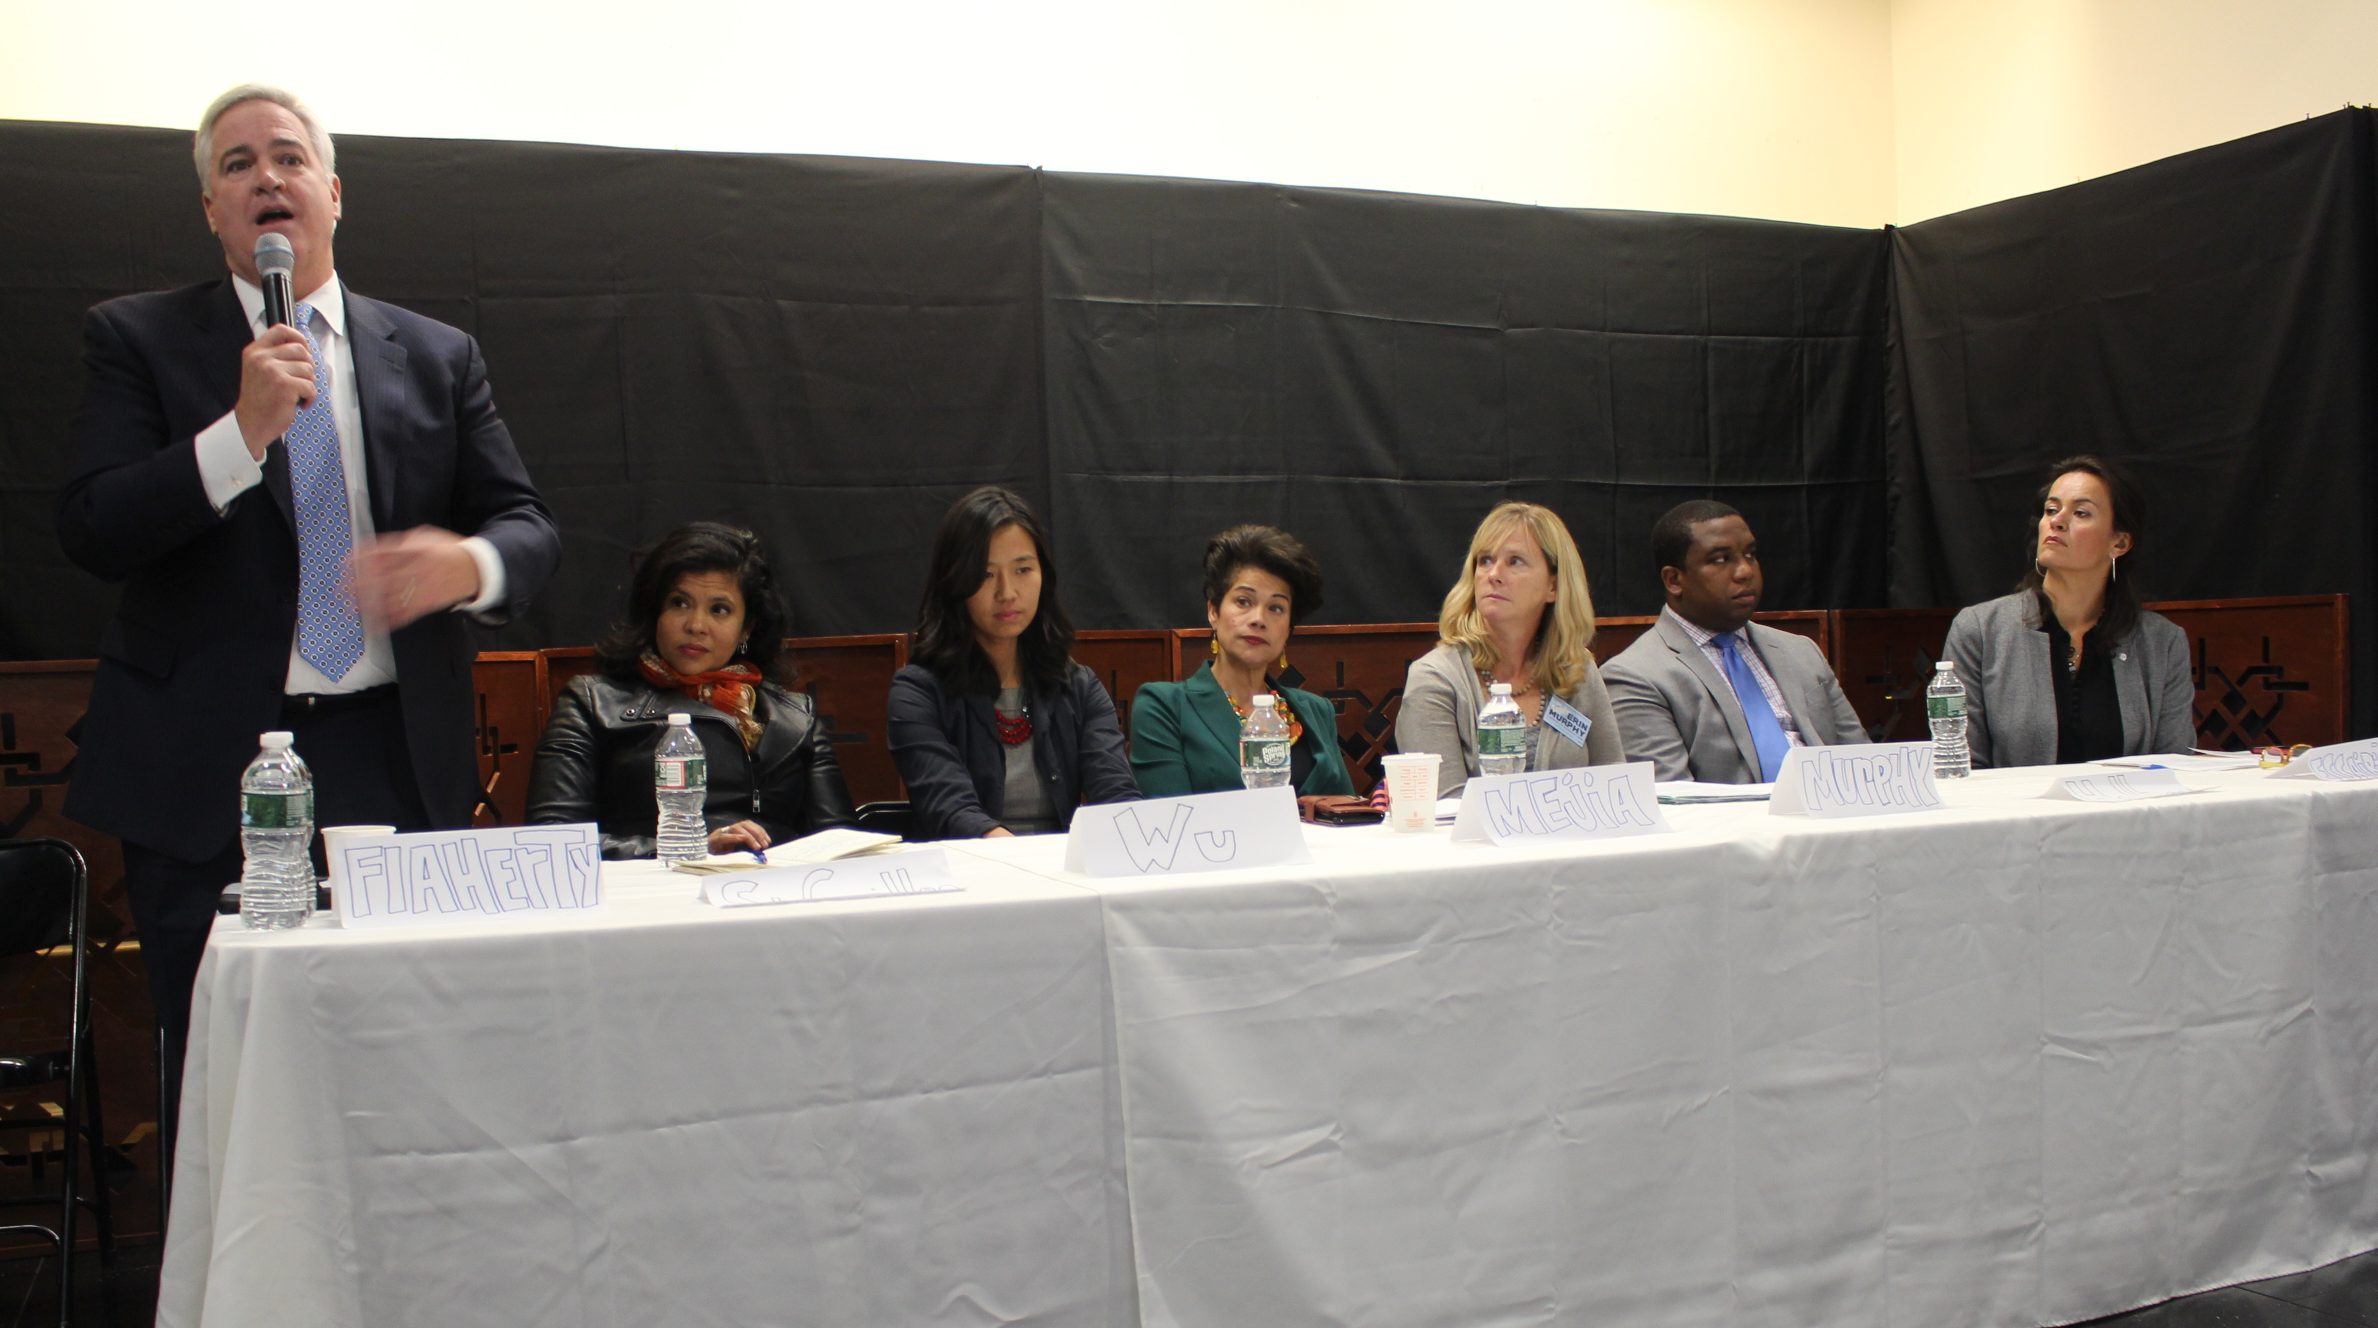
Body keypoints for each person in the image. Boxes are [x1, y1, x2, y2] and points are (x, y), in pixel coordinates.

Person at [55, 86, 560, 1091]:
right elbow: (94, 526)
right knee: (225, 1072)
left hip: (389, 757)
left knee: (403, 1061)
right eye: (235, 165)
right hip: (210, 771)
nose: (265, 178)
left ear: (331, 192)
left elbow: (529, 528)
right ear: (211, 210)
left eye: (286, 157)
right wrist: (236, 436)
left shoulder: (434, 354)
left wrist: (469, 564)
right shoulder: (139, 339)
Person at [526, 524, 855, 858]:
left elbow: (842, 845)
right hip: (649, 897)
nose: (696, 625)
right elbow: (551, 843)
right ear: (654, 612)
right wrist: (692, 849)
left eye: (719, 609)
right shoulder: (593, 703)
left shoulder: (796, 718)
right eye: (679, 603)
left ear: (747, 628)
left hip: (770, 895)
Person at [887, 487, 1139, 838]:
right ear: (956, 581)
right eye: (986, 574)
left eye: (1022, 569)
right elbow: (950, 809)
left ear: (1043, 576)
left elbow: (1116, 794)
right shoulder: (916, 692)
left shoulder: (1078, 685)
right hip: (972, 878)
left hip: (1067, 874)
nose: (1007, 592)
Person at [1943, 455, 2194, 767]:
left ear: (2119, 542)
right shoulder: (1979, 630)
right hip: (2018, 814)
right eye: (2051, 509)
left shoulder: (2163, 642)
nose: (2057, 521)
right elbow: (1962, 767)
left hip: (2127, 814)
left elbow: (2177, 766)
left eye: (2081, 512)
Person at [1603, 500, 1866, 783]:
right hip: (1734, 825)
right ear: (1674, 580)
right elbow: (1674, 801)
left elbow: (1864, 766)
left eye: (1750, 555)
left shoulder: (1802, 652)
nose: (1745, 571)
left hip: (1833, 820)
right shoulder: (1635, 676)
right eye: (1720, 559)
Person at [1394, 501, 1624, 796]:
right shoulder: (1436, 677)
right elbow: (1445, 806)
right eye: (1485, 560)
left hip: (1575, 841)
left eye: (1515, 561)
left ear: (1553, 586)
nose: (1494, 574)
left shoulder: (1576, 668)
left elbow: (1614, 785)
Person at [1129, 525, 1355, 798]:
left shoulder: (1317, 712)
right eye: (1243, 601)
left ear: (1288, 629)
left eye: (1276, 608)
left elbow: (1348, 813)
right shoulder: (1164, 707)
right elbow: (1170, 823)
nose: (1259, 618)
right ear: (1213, 611)